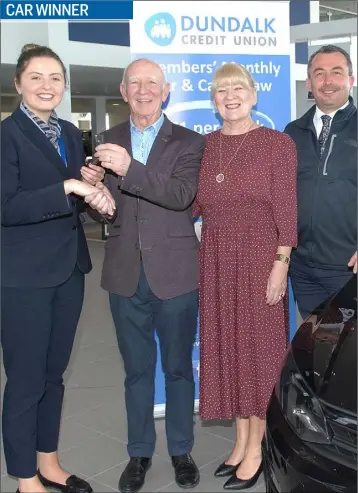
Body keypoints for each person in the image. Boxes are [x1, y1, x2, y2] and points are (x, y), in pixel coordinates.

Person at [1, 44, 115, 493]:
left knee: (54, 374)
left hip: (69, 269)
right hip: (23, 277)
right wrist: (67, 185)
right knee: (26, 380)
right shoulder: (6, 136)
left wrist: (93, 189)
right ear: (18, 84)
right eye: (36, 77)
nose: (46, 86)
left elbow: (70, 195)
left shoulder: (69, 131)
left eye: (55, 78)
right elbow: (7, 205)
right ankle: (24, 478)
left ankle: (48, 461)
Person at [91, 58, 205, 493]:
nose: (143, 89)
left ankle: (181, 450)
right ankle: (139, 452)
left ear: (166, 90)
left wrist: (127, 169)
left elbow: (180, 196)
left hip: (175, 275)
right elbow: (111, 207)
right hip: (124, 274)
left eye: (151, 83)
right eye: (134, 82)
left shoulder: (190, 142)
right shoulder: (108, 138)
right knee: (137, 372)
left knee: (178, 370)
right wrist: (94, 192)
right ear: (123, 90)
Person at [194, 63, 297, 490]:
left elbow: (287, 211)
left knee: (258, 354)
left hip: (260, 262)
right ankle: (238, 442)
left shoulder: (277, 144)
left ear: (254, 95)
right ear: (214, 100)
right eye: (222, 91)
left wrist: (280, 263)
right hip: (216, 262)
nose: (230, 96)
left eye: (238, 88)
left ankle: (258, 448)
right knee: (229, 350)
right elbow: (190, 204)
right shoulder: (205, 146)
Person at [285, 45, 357, 320]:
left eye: (336, 73)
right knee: (314, 351)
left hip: (348, 268)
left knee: (349, 356)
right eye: (320, 73)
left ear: (350, 80)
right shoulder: (292, 132)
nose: (328, 81)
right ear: (309, 84)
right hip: (303, 270)